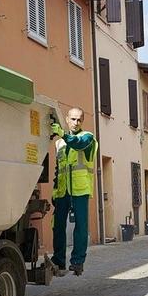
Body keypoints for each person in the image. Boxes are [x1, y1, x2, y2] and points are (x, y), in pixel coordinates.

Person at [50, 107, 98, 276]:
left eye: (79, 120)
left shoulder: (88, 137)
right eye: (73, 119)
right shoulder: (59, 143)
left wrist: (63, 133)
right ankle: (58, 260)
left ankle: (77, 261)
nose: (76, 122)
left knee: (81, 225)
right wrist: (55, 191)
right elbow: (58, 169)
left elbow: (78, 144)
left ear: (82, 121)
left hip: (80, 188)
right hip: (63, 190)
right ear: (67, 119)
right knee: (58, 225)